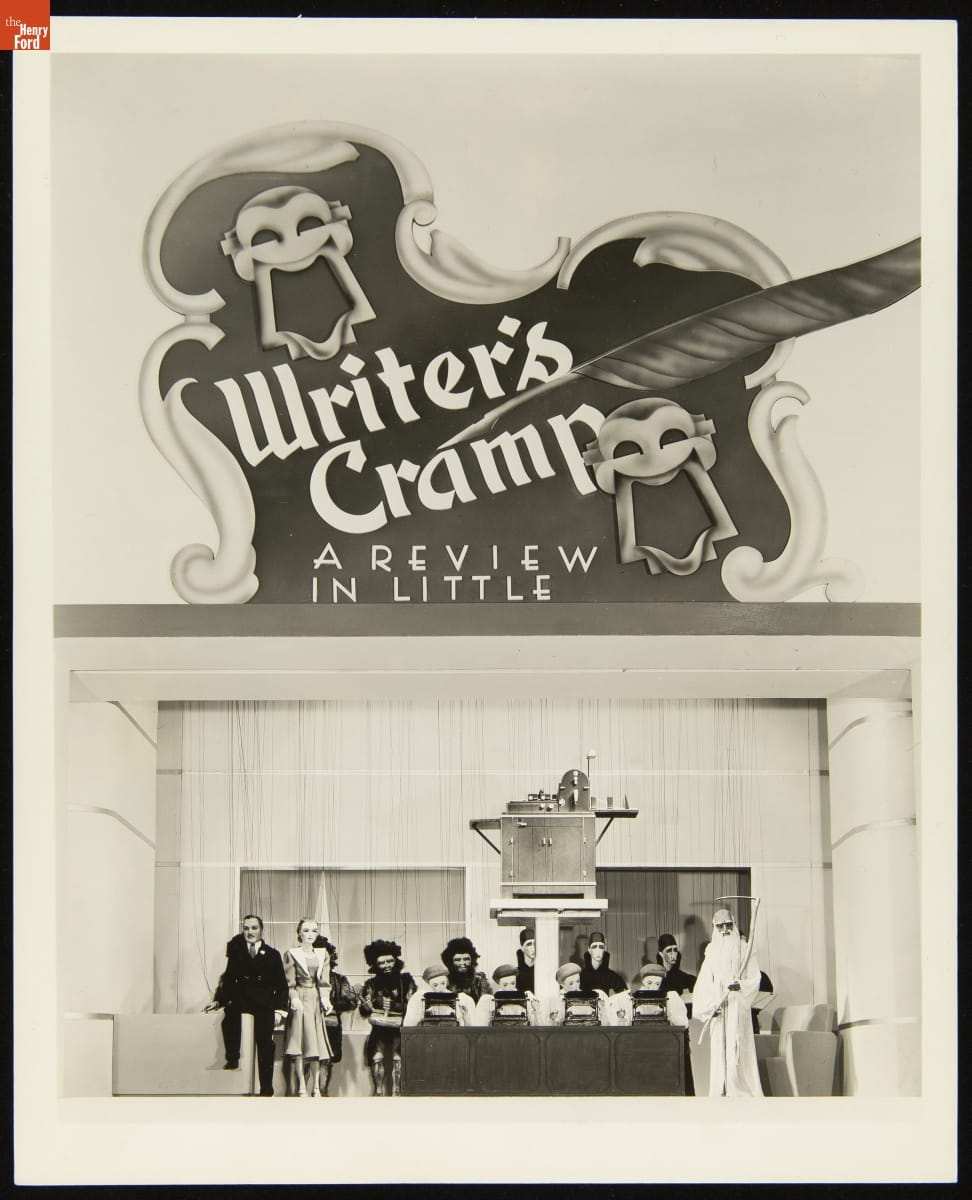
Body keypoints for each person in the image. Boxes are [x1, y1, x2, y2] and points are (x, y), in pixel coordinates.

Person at [206, 914, 288, 1097]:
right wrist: (218, 1001)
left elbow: (282, 986)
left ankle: (266, 1089)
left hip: (263, 1004)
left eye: (254, 928)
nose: (250, 932)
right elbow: (228, 979)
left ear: (261, 930)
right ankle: (233, 1058)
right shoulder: (237, 953)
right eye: (246, 928)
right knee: (228, 1021)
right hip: (241, 1000)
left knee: (265, 1044)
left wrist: (280, 1010)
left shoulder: (273, 955)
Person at [693, 908, 763, 1097]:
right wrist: (708, 1008)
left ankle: (740, 1091)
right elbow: (705, 981)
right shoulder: (711, 951)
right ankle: (721, 1091)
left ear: (733, 923)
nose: (725, 929)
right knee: (719, 1052)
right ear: (715, 927)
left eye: (728, 925)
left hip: (737, 1007)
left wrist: (740, 985)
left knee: (736, 1050)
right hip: (719, 1007)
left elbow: (755, 977)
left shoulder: (745, 948)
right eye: (720, 926)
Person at [282, 918, 334, 1097]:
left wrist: (325, 998)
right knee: (299, 1043)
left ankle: (316, 1088)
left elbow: (324, 981)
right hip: (300, 998)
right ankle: (302, 1087)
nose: (310, 934)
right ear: (299, 933)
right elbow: (288, 982)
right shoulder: (292, 953)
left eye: (313, 931)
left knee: (316, 1044)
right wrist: (293, 998)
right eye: (306, 931)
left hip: (315, 998)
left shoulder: (322, 954)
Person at [359, 939, 416, 1096]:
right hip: (379, 1027)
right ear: (375, 965)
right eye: (382, 962)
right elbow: (364, 1009)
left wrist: (395, 1007)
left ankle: (397, 1091)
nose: (387, 965)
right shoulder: (371, 984)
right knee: (376, 1057)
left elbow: (412, 1006)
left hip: (400, 1027)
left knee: (399, 1058)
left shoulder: (406, 981)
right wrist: (366, 1005)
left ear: (396, 960)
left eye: (390, 961)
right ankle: (379, 1091)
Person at [312, 933, 358, 1096]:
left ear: (330, 956)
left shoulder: (340, 979)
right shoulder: (302, 978)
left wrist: (331, 1005)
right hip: (308, 1023)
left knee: (326, 1060)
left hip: (330, 1024)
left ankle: (321, 1091)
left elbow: (353, 1000)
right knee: (304, 1059)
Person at [404, 964, 476, 1026]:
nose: (440, 988)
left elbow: (469, 1029)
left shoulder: (460, 998)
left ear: (447, 982)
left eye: (443, 983)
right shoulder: (419, 997)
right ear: (429, 985)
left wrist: (466, 1016)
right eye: (435, 985)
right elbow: (408, 1025)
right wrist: (421, 1014)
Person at [474, 963, 539, 1026]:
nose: (509, 988)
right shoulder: (490, 1001)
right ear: (499, 984)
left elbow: (536, 1025)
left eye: (513, 983)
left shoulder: (526, 997)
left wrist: (536, 1010)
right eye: (505, 985)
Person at [441, 936, 492, 1002]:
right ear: (451, 962)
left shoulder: (479, 978)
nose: (462, 963)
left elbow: (486, 1001)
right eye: (457, 960)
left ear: (472, 960)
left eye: (466, 959)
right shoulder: (445, 980)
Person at [579, 931, 627, 996]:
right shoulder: (581, 976)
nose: (598, 950)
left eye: (601, 947)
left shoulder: (611, 976)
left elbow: (625, 996)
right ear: (589, 950)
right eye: (594, 947)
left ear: (604, 950)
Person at [656, 933, 697, 1009]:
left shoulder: (687, 979)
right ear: (661, 954)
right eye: (668, 951)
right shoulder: (655, 980)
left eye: (675, 950)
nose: (673, 954)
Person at [515, 928, 536, 994]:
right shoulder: (516, 974)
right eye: (529, 944)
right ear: (522, 948)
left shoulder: (542, 970)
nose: (533, 948)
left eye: (535, 943)